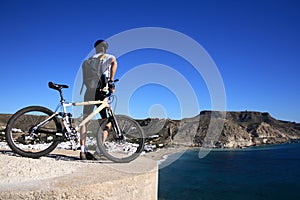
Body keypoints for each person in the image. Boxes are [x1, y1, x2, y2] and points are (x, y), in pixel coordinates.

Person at [80, 39, 118, 160]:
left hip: (89, 92)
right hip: (101, 92)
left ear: (95, 48)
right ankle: (98, 150)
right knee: (107, 121)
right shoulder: (107, 56)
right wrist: (111, 82)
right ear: (105, 49)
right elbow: (114, 62)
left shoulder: (88, 61)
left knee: (85, 120)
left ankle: (82, 150)